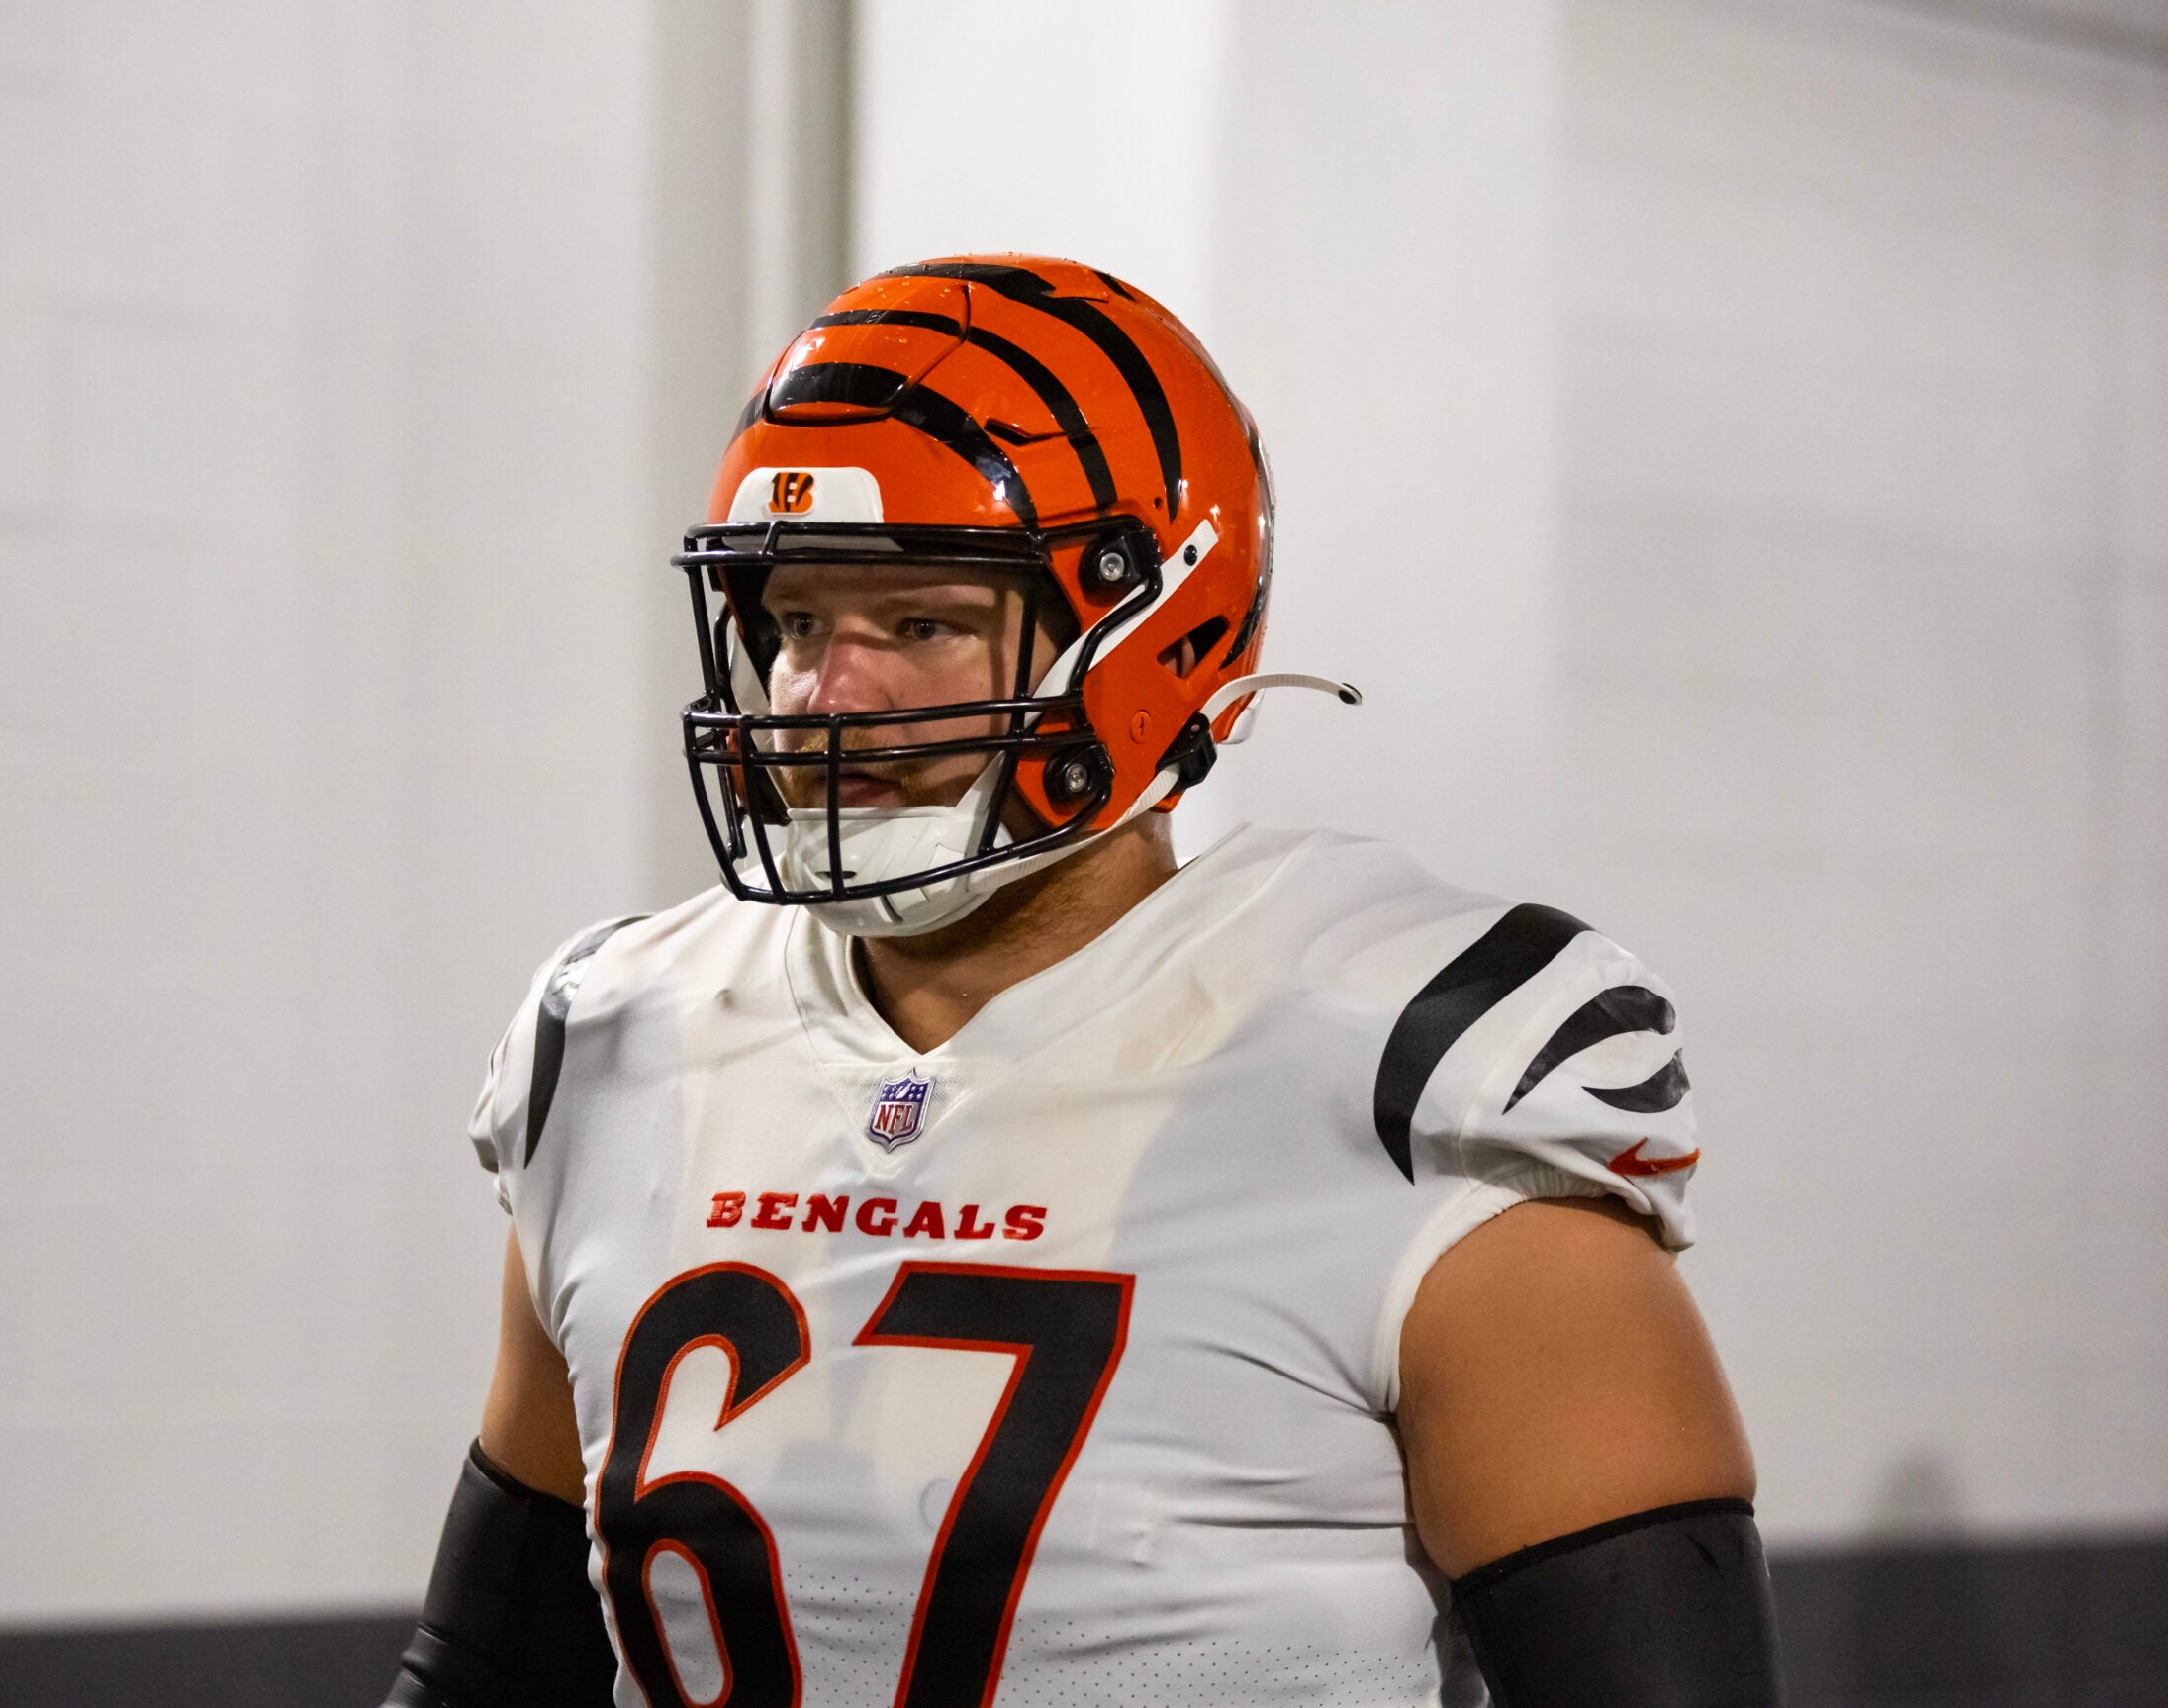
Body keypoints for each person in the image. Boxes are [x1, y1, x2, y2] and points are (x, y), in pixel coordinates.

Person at [384, 256, 1781, 1707]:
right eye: (797, 624)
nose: (823, 697)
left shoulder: (1399, 1066)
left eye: (919, 623)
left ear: (1156, 636)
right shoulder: (622, 1038)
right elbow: (490, 1670)